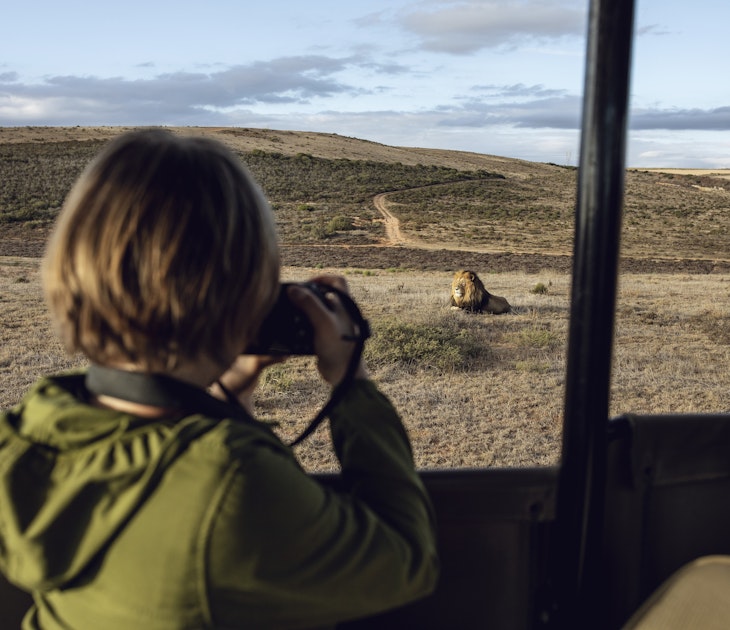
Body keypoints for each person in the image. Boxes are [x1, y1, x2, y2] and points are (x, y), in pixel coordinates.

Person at [0, 129, 439, 629]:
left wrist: (227, 395)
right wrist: (351, 383)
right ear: (247, 296)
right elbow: (406, 561)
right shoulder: (230, 477)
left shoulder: (26, 436)